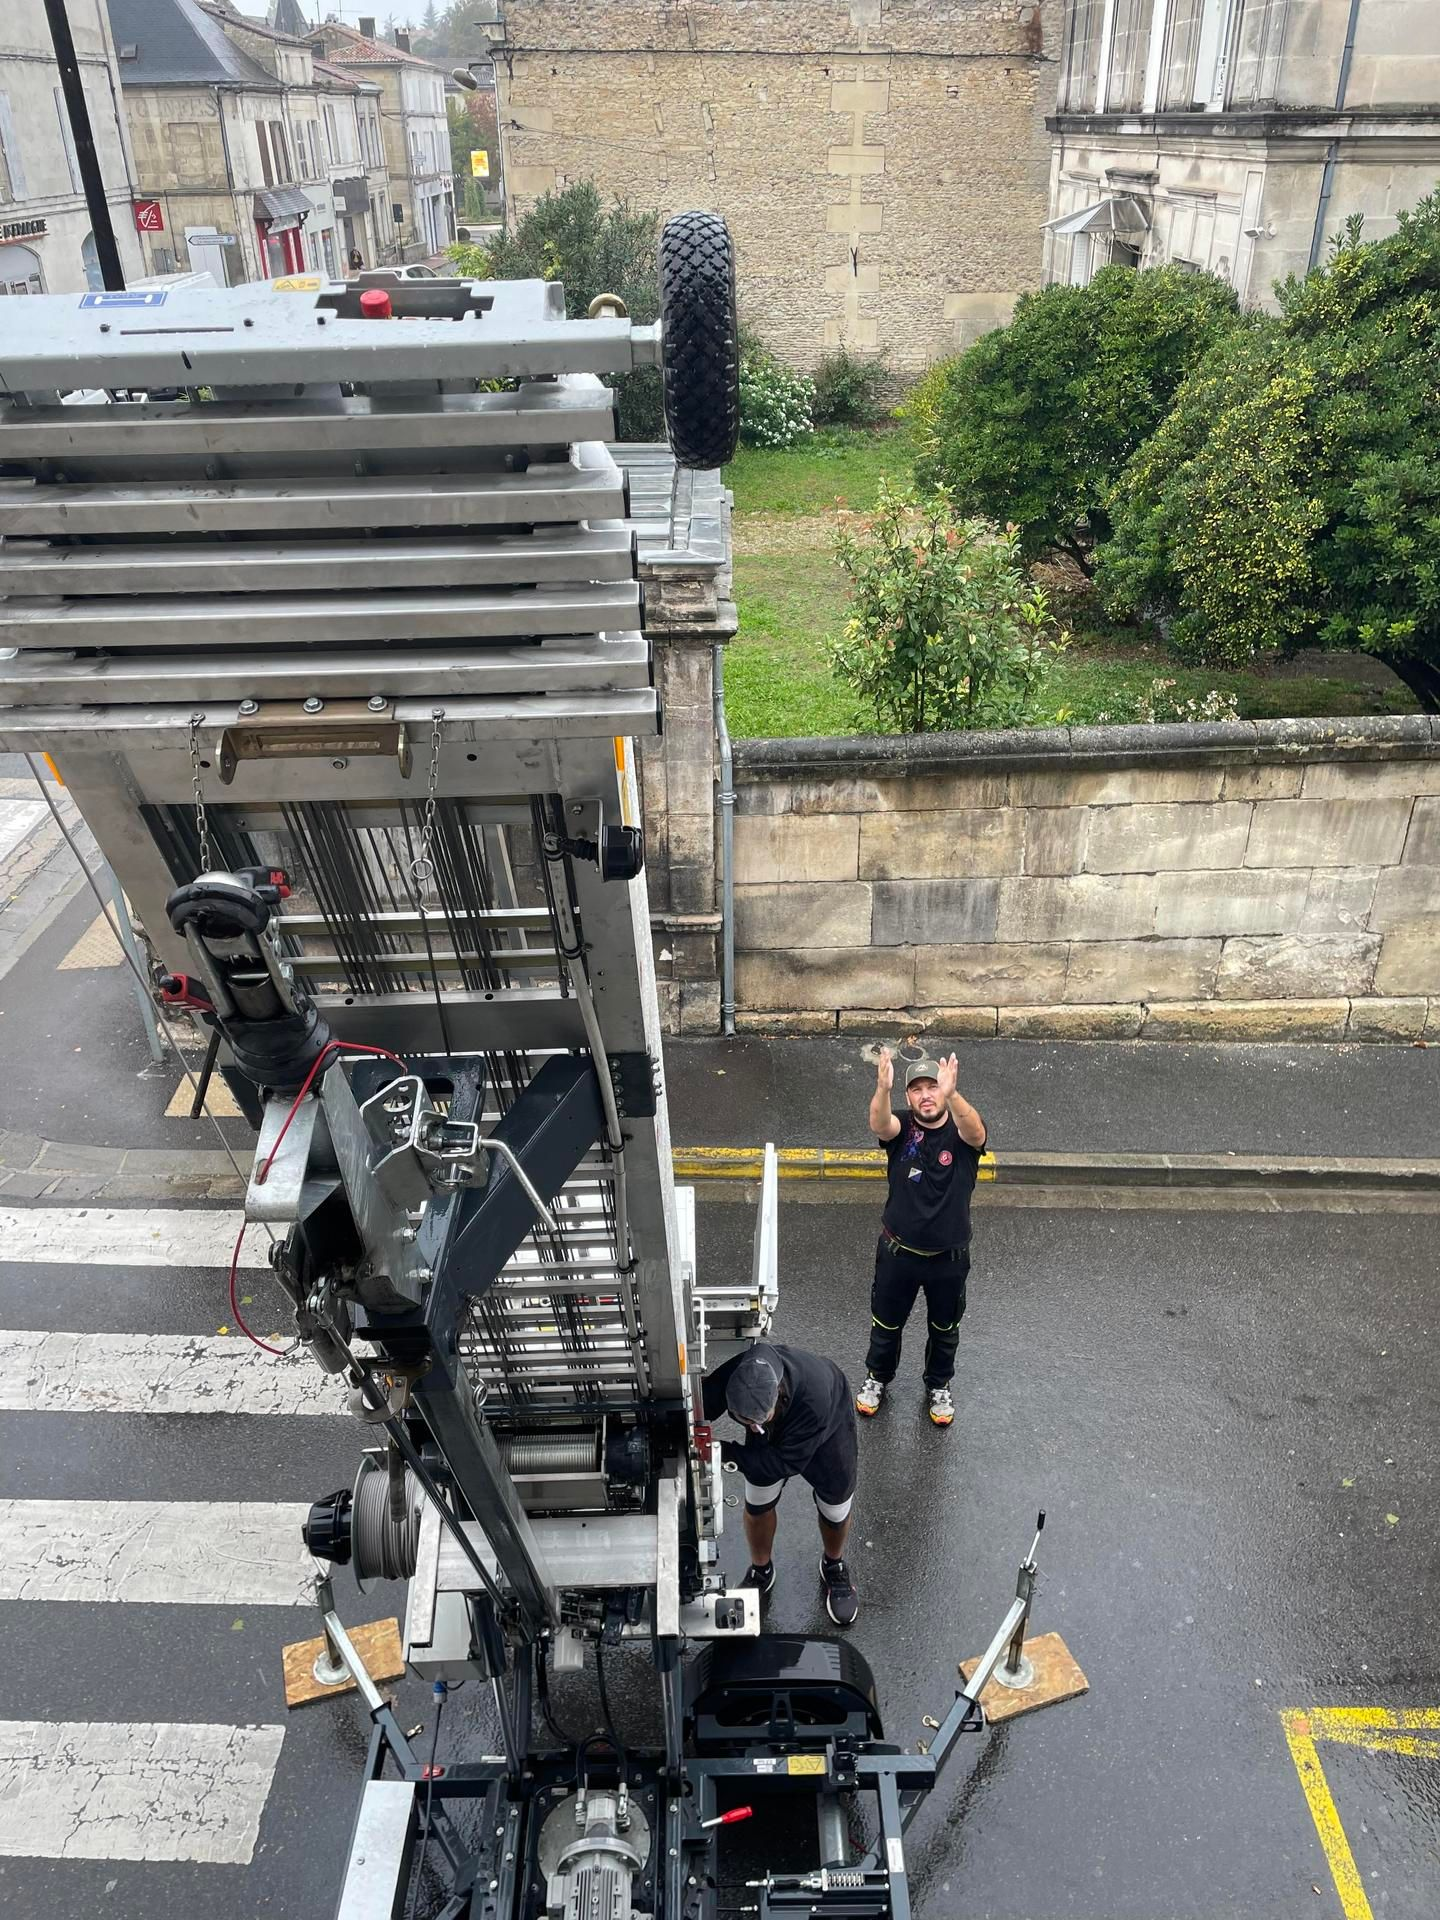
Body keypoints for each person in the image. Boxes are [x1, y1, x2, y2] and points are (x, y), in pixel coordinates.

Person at [855, 1049, 987, 1429]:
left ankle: (939, 1385)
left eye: (933, 1087)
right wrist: (883, 1088)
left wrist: (955, 1094)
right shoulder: (903, 1129)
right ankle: (877, 1378)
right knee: (886, 1323)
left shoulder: (962, 1135)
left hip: (948, 1259)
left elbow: (976, 1132)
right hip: (899, 1254)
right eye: (917, 1090)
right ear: (909, 1097)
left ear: (943, 1091)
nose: (926, 1095)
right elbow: (880, 1125)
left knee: (945, 1328)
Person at [702, 1340, 859, 1625]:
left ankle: (833, 1565)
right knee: (758, 1502)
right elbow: (701, 1402)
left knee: (834, 1508)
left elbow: (785, 1462)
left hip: (829, 1427)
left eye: (755, 1422)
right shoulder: (741, 1372)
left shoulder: (816, 1400)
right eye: (744, 1421)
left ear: (777, 1395)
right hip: (772, 1425)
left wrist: (720, 1451)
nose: (750, 1427)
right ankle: (761, 1570)